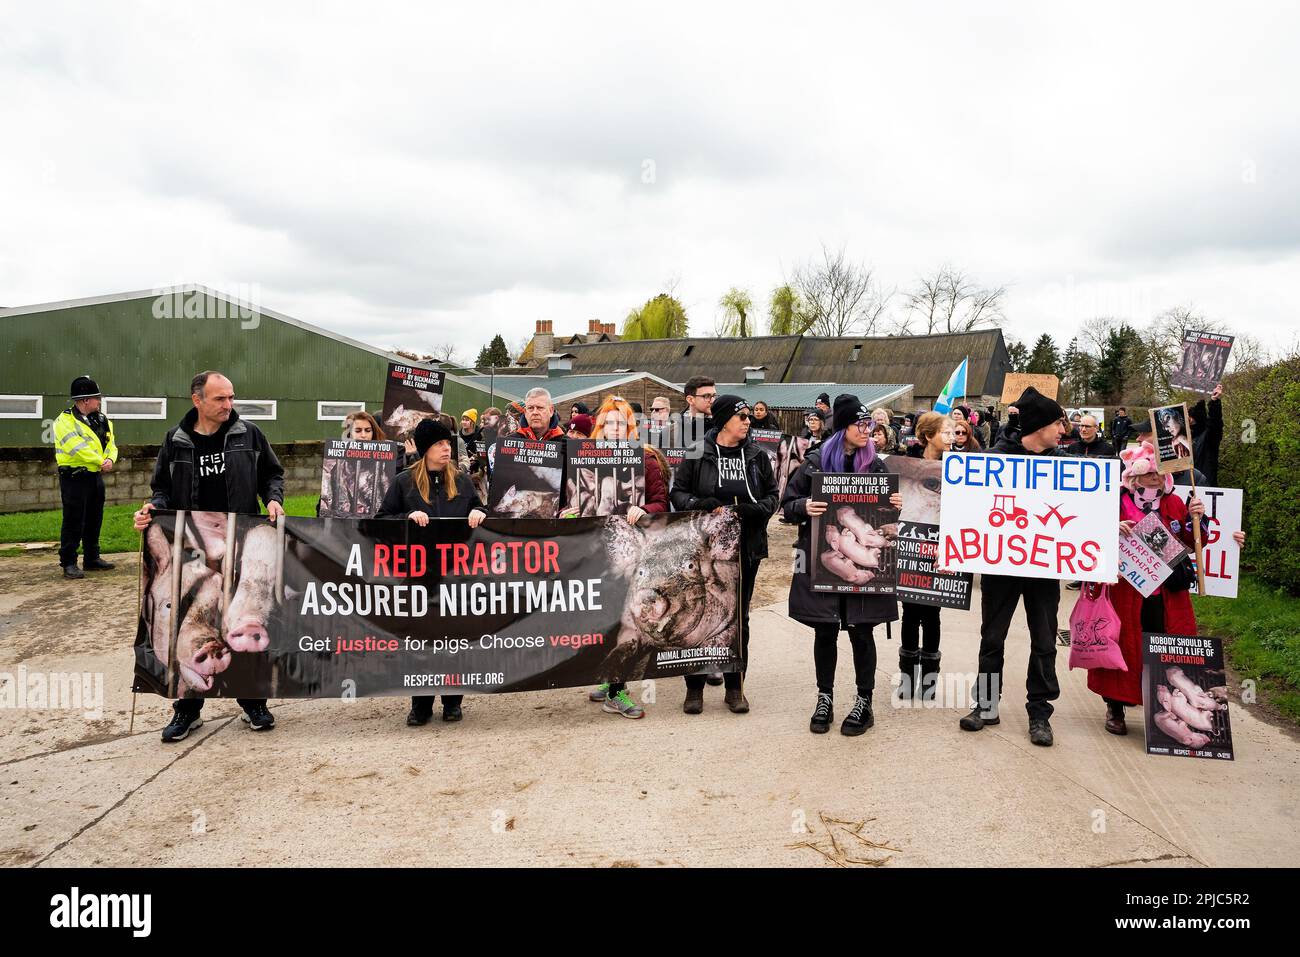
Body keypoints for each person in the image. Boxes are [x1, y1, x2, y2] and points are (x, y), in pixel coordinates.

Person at [133, 371, 285, 742]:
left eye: (231, 398)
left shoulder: (248, 435)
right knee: (192, 622)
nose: (228, 405)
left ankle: (253, 703)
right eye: (220, 399)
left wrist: (274, 499)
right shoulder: (177, 440)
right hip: (190, 546)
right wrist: (152, 510)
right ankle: (187, 709)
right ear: (197, 399)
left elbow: (272, 474)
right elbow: (162, 490)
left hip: (240, 542)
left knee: (238, 619)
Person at [782, 396, 903, 735]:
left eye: (870, 425)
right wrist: (804, 505)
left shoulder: (876, 466)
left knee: (863, 631)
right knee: (826, 630)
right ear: (843, 427)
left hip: (864, 570)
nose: (868, 431)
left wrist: (895, 505)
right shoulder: (815, 463)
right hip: (825, 561)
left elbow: (890, 519)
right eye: (860, 425)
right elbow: (787, 504)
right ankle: (825, 696)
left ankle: (864, 701)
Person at [959, 386, 1067, 746]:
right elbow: (970, 509)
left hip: (1043, 567)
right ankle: (985, 705)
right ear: (1038, 426)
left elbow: (1081, 514)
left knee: (1044, 640)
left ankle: (1039, 712)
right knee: (992, 638)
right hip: (1001, 566)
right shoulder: (993, 460)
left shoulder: (1065, 466)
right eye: (1057, 424)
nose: (1063, 431)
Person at [670, 395, 778, 714]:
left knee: (737, 617)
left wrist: (753, 510)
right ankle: (694, 686)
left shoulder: (757, 455)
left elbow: (773, 496)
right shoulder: (698, 453)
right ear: (723, 420)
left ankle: (735, 687)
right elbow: (678, 492)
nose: (747, 420)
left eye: (749, 416)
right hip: (704, 547)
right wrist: (697, 505)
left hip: (746, 545)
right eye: (741, 416)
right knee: (699, 612)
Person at [377, 419, 486, 726]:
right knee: (423, 639)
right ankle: (421, 703)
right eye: (440, 444)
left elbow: (479, 511)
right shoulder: (404, 482)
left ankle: (453, 701)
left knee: (454, 639)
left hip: (456, 576)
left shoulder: (462, 481)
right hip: (419, 576)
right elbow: (381, 520)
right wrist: (406, 516)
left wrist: (480, 511)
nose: (446, 449)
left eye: (448, 444)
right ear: (425, 450)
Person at [583, 396, 671, 718]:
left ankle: (617, 692)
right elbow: (575, 500)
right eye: (608, 422)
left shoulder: (645, 460)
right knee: (605, 618)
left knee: (629, 619)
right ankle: (611, 679)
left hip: (635, 555)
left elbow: (664, 503)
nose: (614, 428)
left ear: (630, 426)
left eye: (621, 422)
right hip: (599, 554)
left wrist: (644, 508)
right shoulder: (586, 461)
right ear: (600, 427)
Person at [897, 412, 956, 699]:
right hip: (912, 544)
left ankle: (929, 683)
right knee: (909, 613)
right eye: (946, 432)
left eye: (954, 432)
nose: (952, 437)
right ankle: (907, 679)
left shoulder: (962, 467)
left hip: (942, 549)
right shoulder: (906, 464)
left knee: (933, 613)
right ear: (928, 435)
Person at [53, 375, 119, 579]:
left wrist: (110, 459)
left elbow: (111, 444)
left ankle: (92, 558)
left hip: (94, 477)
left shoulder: (102, 419)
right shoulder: (64, 421)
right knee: (73, 520)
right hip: (74, 477)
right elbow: (76, 448)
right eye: (96, 397)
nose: (99, 401)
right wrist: (100, 461)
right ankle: (69, 562)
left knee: (94, 518)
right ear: (84, 400)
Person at [1189, 384, 1224, 484]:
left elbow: (1215, 422)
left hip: (1205, 487)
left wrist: (1214, 402)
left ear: (1192, 420)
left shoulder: (1208, 437)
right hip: (1187, 488)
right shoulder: (1186, 438)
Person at [682, 376, 717, 446]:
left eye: (714, 396)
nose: (713, 400)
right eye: (707, 396)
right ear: (690, 400)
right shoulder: (671, 432)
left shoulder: (723, 429)